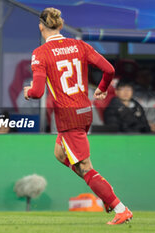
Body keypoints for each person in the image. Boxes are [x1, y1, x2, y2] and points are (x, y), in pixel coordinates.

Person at [23, 8, 132, 225]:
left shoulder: (41, 53)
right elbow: (109, 69)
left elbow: (36, 92)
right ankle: (105, 194)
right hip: (84, 111)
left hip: (68, 116)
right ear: (61, 26)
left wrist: (27, 91)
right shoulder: (79, 46)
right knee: (60, 153)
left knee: (85, 167)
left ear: (41, 26)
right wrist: (102, 88)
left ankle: (119, 207)